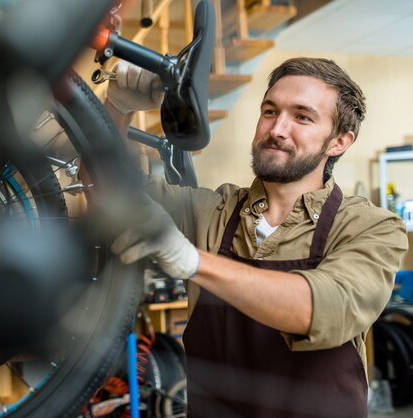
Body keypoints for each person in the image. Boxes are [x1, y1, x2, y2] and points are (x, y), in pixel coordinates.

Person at [103, 57, 409, 417]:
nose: (277, 128)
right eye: (269, 111)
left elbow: (325, 308)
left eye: (302, 117)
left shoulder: (370, 226)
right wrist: (115, 110)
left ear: (339, 141)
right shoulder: (210, 209)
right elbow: (110, 195)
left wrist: (192, 260)